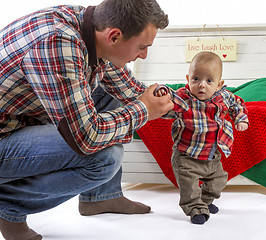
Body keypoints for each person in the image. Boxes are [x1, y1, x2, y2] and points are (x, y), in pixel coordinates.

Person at [0, 0, 174, 239]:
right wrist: (143, 110)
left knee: (109, 94)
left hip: (18, 120)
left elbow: (132, 91)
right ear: (114, 36)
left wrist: (192, 103)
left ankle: (101, 197)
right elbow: (86, 138)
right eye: (142, 47)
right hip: (4, 136)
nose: (144, 55)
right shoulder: (58, 42)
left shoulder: (90, 26)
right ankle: (7, 207)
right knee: (105, 157)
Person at [155, 51, 249, 224]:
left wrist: (240, 119)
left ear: (219, 84)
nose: (201, 85)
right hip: (187, 156)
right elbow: (170, 98)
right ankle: (195, 208)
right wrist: (161, 92)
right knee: (189, 186)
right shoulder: (184, 98)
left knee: (218, 181)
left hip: (212, 155)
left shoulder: (224, 97)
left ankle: (204, 201)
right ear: (188, 78)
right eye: (196, 79)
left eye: (209, 81)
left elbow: (238, 104)